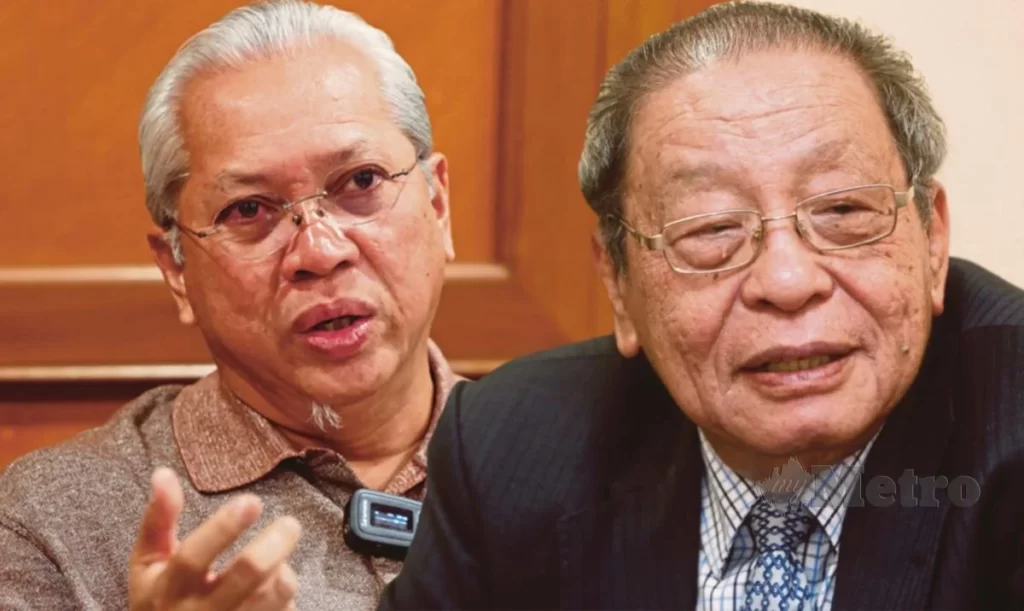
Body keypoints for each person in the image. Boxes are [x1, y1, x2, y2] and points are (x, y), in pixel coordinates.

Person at [380, 2, 1024, 609]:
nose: (787, 280)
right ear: (618, 282)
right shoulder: (510, 448)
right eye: (712, 230)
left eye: (842, 210)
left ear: (932, 240)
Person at [0, 1, 460, 609]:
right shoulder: (50, 523)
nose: (320, 252)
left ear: (437, 206)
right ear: (176, 271)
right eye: (247, 210)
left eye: (361, 181)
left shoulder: (562, 458)